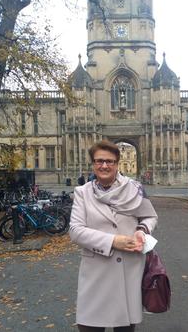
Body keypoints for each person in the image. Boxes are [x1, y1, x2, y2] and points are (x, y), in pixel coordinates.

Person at [69, 140, 158, 332]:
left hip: (128, 269)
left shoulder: (135, 188)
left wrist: (142, 230)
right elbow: (75, 231)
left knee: (125, 328)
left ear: (117, 164)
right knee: (89, 327)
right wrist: (112, 241)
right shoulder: (82, 193)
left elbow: (150, 216)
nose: (104, 165)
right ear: (93, 164)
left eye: (110, 161)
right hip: (96, 272)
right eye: (99, 161)